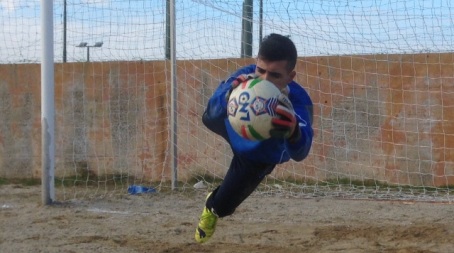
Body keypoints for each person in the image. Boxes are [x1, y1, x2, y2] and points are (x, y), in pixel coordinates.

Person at [195, 33, 314, 243]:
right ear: (256, 64)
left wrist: (294, 131)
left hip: (256, 155)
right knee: (209, 115)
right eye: (261, 70)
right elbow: (213, 111)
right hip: (232, 127)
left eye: (275, 75)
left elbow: (300, 153)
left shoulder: (299, 102)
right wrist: (228, 95)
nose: (264, 80)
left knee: (222, 207)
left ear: (290, 76)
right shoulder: (246, 76)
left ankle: (211, 207)